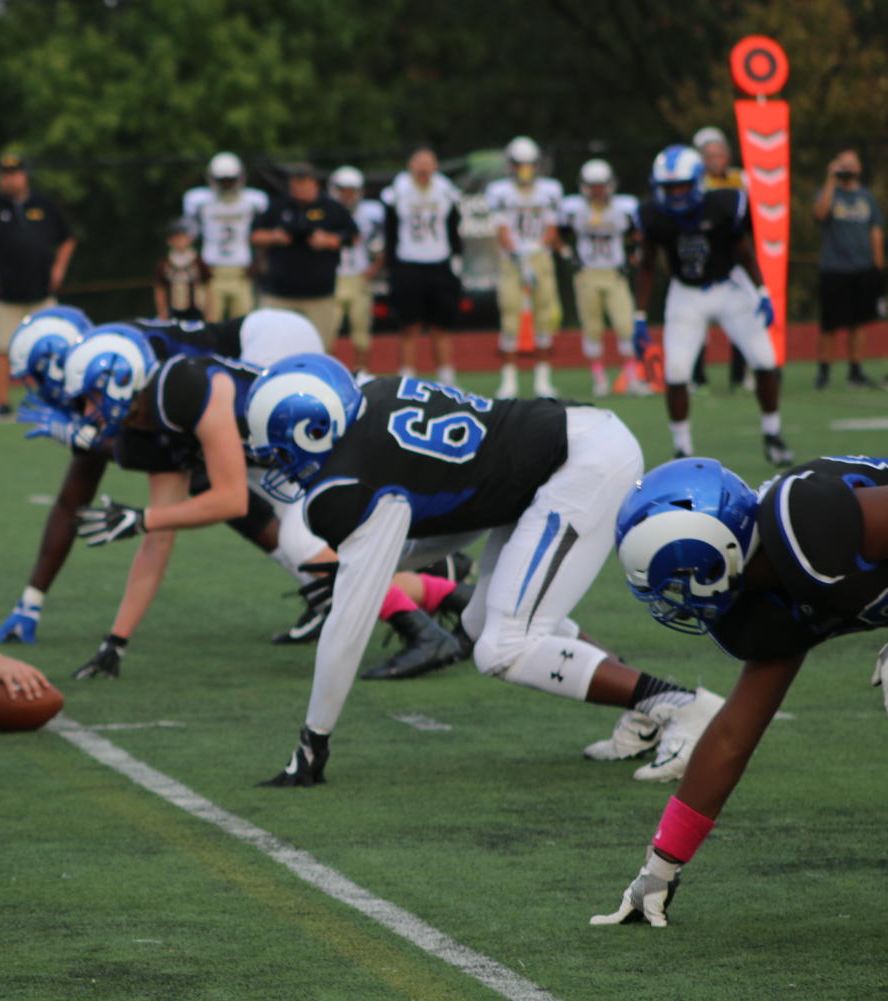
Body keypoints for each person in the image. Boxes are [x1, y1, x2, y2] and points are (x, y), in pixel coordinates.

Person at [242, 354, 723, 787]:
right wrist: (377, 563)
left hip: (579, 464)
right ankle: (647, 708)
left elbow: (348, 624)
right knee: (483, 624)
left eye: (283, 452)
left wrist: (315, 738)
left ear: (316, 429)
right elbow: (455, 503)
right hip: (564, 447)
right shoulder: (374, 395)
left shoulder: (346, 483)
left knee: (503, 649)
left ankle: (684, 706)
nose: (281, 467)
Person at [595, 455, 888, 927]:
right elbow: (733, 735)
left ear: (712, 555)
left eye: (676, 582)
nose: (676, 601)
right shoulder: (765, 599)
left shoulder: (806, 522)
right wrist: (661, 866)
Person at [0, 312, 348, 651]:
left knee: (256, 477)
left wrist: (94, 448)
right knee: (226, 481)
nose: (45, 390)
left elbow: (132, 454)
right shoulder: (106, 372)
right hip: (241, 363)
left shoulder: (120, 366)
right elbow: (80, 496)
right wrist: (32, 599)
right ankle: (335, 581)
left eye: (41, 376)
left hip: (266, 343)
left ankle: (341, 580)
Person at [634, 145, 791, 466]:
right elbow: (648, 266)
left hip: (729, 288)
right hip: (686, 293)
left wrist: (761, 290)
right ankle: (682, 449)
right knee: (676, 371)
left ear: (698, 182)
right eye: (669, 188)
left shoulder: (722, 205)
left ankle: (773, 435)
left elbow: (744, 250)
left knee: (764, 360)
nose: (676, 194)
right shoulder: (654, 217)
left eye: (682, 186)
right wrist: (639, 314)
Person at [0, 152, 77, 420]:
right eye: (5, 175)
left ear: (25, 176)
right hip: (4, 294)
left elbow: (68, 238)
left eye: (15, 174)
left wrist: (59, 268)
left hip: (41, 292)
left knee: (50, 347)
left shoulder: (44, 205)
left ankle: (51, 400)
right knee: (0, 349)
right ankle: (3, 403)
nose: (10, 180)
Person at [559, 159, 645, 398]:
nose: (597, 191)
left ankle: (631, 378)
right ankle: (599, 380)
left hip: (614, 273)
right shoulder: (574, 208)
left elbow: (638, 237)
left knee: (625, 325)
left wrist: (632, 260)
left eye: (601, 185)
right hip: (587, 274)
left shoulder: (624, 207)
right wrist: (569, 257)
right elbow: (560, 233)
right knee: (592, 327)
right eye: (593, 185)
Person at [485, 137, 563, 398]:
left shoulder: (550, 189)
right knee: (509, 319)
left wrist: (535, 251)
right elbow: (501, 230)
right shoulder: (499, 191)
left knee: (544, 317)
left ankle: (543, 380)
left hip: (540, 257)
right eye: (520, 164)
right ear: (511, 165)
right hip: (511, 259)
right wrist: (519, 254)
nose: (525, 169)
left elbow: (552, 230)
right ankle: (509, 381)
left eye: (529, 164)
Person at [381, 147, 463, 386]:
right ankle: (406, 380)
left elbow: (453, 226)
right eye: (419, 163)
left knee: (442, 327)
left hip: (439, 262)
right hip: (409, 263)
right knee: (409, 327)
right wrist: (393, 265)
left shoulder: (445, 189)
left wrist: (456, 259)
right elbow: (390, 229)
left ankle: (448, 381)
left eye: (428, 163)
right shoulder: (398, 190)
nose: (424, 168)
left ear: (435, 167)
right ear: (410, 166)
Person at [251, 163, 358, 344]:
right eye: (295, 184)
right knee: (274, 344)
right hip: (280, 293)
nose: (299, 188)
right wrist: (275, 236)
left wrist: (327, 240)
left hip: (319, 294)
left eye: (304, 183)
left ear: (314, 183)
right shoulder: (278, 206)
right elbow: (255, 235)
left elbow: (352, 236)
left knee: (320, 346)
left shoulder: (331, 208)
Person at [812, 149, 884, 389]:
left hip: (863, 267)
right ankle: (823, 372)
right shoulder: (829, 192)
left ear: (859, 168)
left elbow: (875, 229)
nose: (848, 168)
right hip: (834, 268)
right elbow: (820, 213)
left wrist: (878, 263)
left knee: (859, 323)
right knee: (830, 324)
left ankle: (855, 371)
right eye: (843, 164)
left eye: (852, 164)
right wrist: (831, 178)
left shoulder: (866, 197)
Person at [692, 127, 752, 393]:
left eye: (719, 154)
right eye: (709, 155)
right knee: (698, 319)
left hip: (736, 255)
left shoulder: (742, 178)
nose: (714, 160)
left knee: (743, 315)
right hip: (705, 257)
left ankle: (740, 375)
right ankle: (697, 376)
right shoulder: (695, 183)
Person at [183, 152, 269, 322]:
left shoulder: (254, 200)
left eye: (230, 180)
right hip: (211, 269)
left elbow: (260, 235)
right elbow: (189, 235)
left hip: (241, 270)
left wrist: (259, 262)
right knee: (210, 321)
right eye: (223, 180)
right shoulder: (199, 201)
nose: (227, 185)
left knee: (243, 322)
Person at [328, 166, 385, 372]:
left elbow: (380, 244)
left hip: (358, 276)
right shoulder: (325, 211)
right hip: (333, 277)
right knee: (328, 332)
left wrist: (373, 268)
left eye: (351, 189)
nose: (347, 194)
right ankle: (331, 373)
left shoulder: (370, 212)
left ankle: (363, 374)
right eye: (343, 189)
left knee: (361, 332)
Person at [153, 218, 210, 321]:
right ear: (170, 241)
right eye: (176, 237)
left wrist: (209, 312)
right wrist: (162, 312)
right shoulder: (166, 264)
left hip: (196, 311)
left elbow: (208, 287)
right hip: (174, 311)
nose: (180, 241)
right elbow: (160, 289)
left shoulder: (198, 262)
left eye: (183, 236)